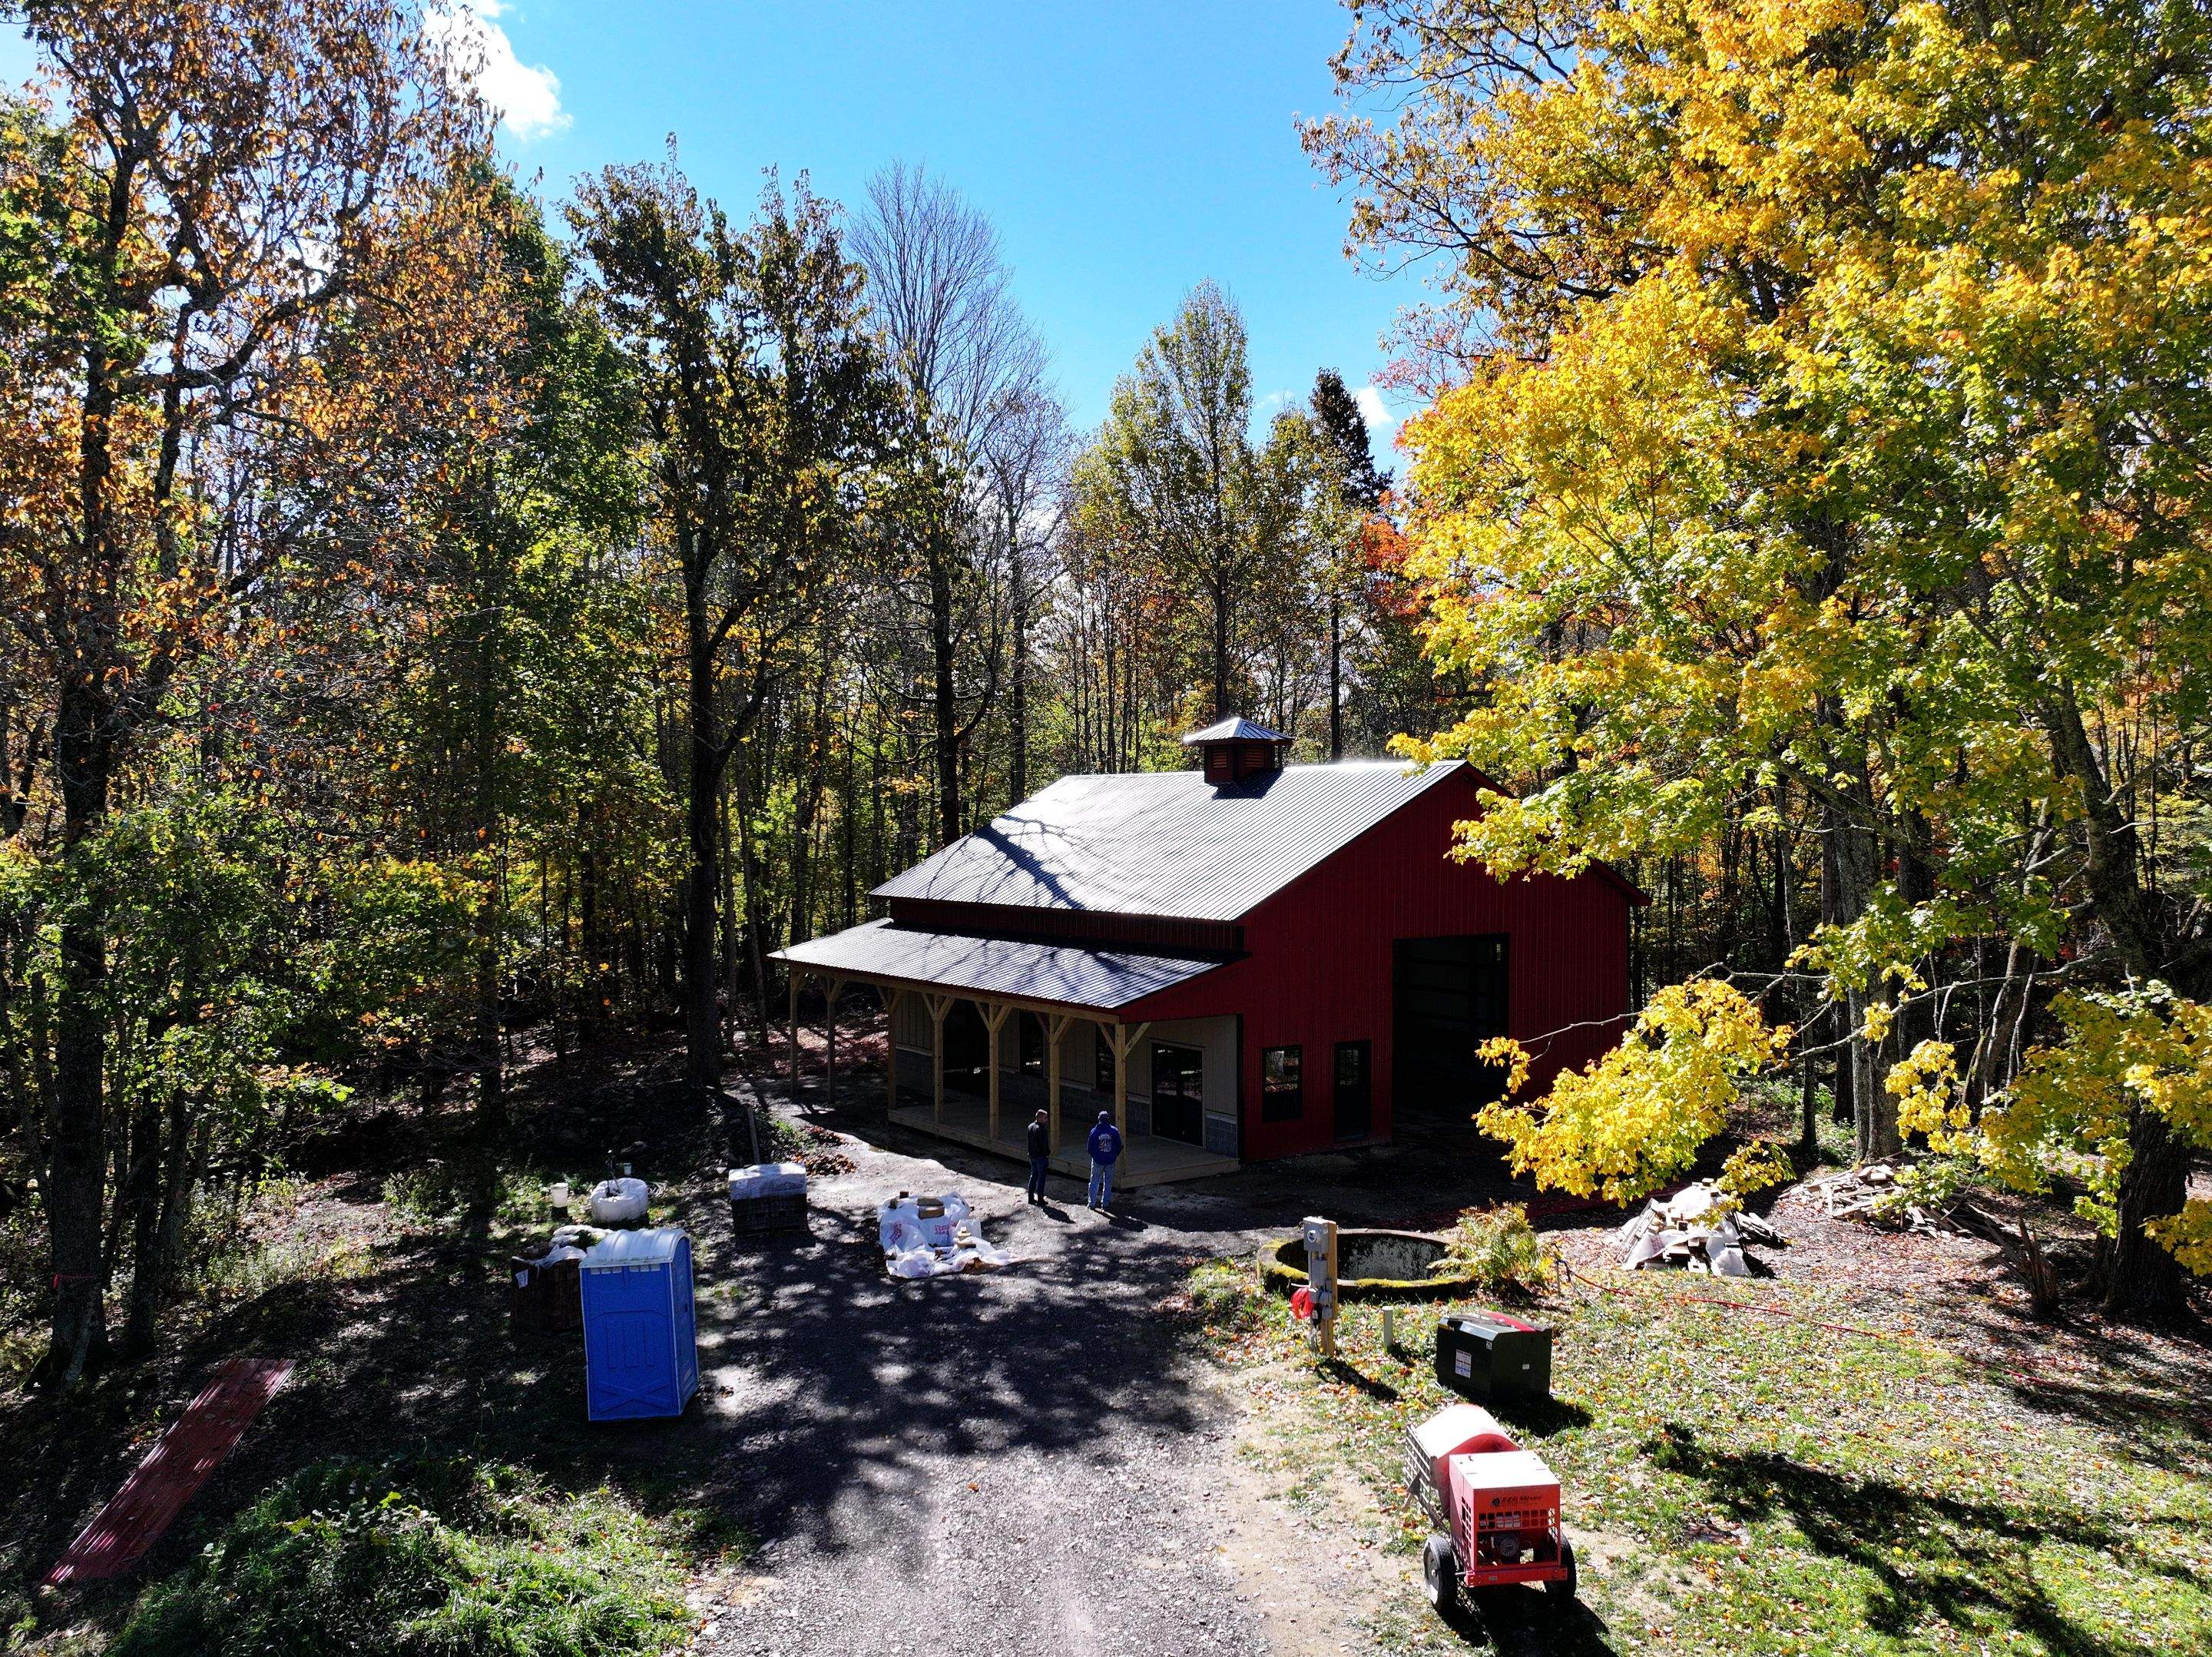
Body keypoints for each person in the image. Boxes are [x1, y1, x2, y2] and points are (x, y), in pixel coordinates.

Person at [1086, 1110, 1123, 1210]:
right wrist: (1114, 1155)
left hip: (1097, 1160)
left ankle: (1092, 1203)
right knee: (1108, 1182)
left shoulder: (1094, 1132)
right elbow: (1119, 1145)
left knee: (1094, 1181)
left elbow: (1089, 1148)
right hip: (1110, 1160)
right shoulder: (1114, 1131)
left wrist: (1093, 1155)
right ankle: (1105, 1204)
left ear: (1099, 1119)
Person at [1025, 1109, 1051, 1205]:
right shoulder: (1042, 1129)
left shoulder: (1030, 1127)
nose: (1046, 1120)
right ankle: (1040, 1198)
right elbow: (1044, 1144)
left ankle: (1030, 1198)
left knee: (1033, 1176)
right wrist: (1047, 1153)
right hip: (1041, 1157)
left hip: (1032, 1155)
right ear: (1040, 1118)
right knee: (1041, 1178)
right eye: (1045, 1118)